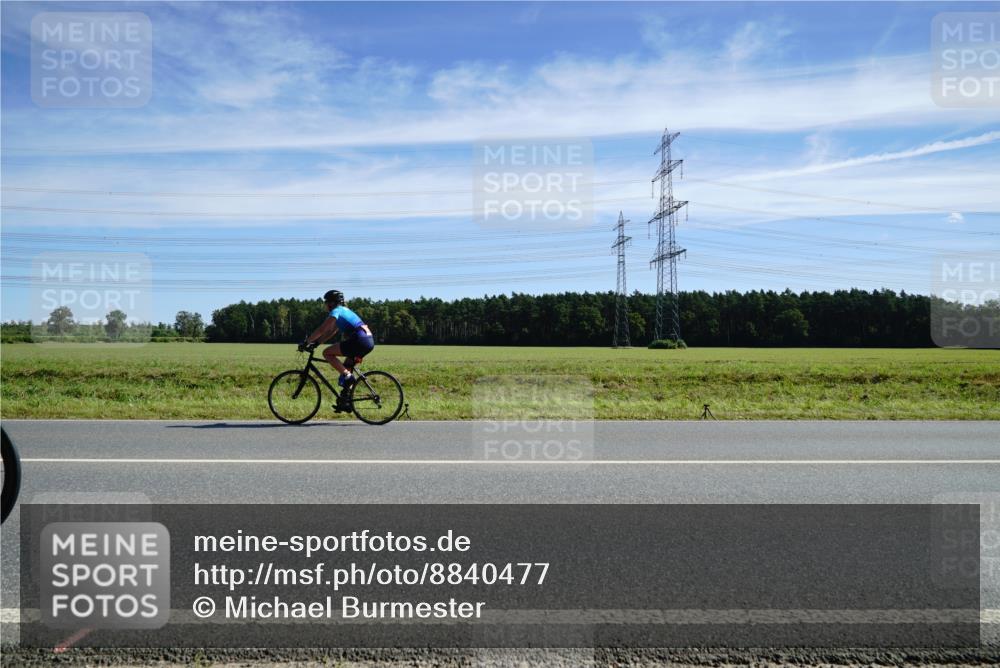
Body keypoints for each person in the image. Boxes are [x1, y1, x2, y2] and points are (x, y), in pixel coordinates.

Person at [301, 290, 375, 410]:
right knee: (347, 367)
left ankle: (348, 376)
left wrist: (307, 342)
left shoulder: (336, 311)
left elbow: (322, 329)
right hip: (368, 341)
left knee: (327, 353)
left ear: (331, 303)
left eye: (326, 303)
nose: (325, 305)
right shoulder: (344, 311)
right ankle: (346, 402)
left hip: (359, 340)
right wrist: (317, 343)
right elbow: (331, 331)